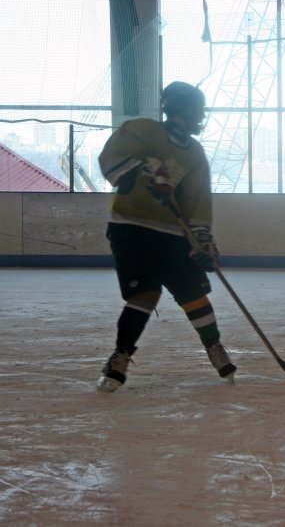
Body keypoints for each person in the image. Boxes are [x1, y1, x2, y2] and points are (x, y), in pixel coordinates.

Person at [95, 81, 236, 392]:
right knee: (144, 294)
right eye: (196, 109)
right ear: (180, 108)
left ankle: (214, 346)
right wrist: (146, 172)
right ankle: (120, 355)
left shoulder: (195, 153)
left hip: (172, 233)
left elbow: (197, 201)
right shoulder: (143, 129)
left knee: (193, 292)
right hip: (131, 228)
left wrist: (203, 241)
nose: (200, 115)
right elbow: (113, 160)